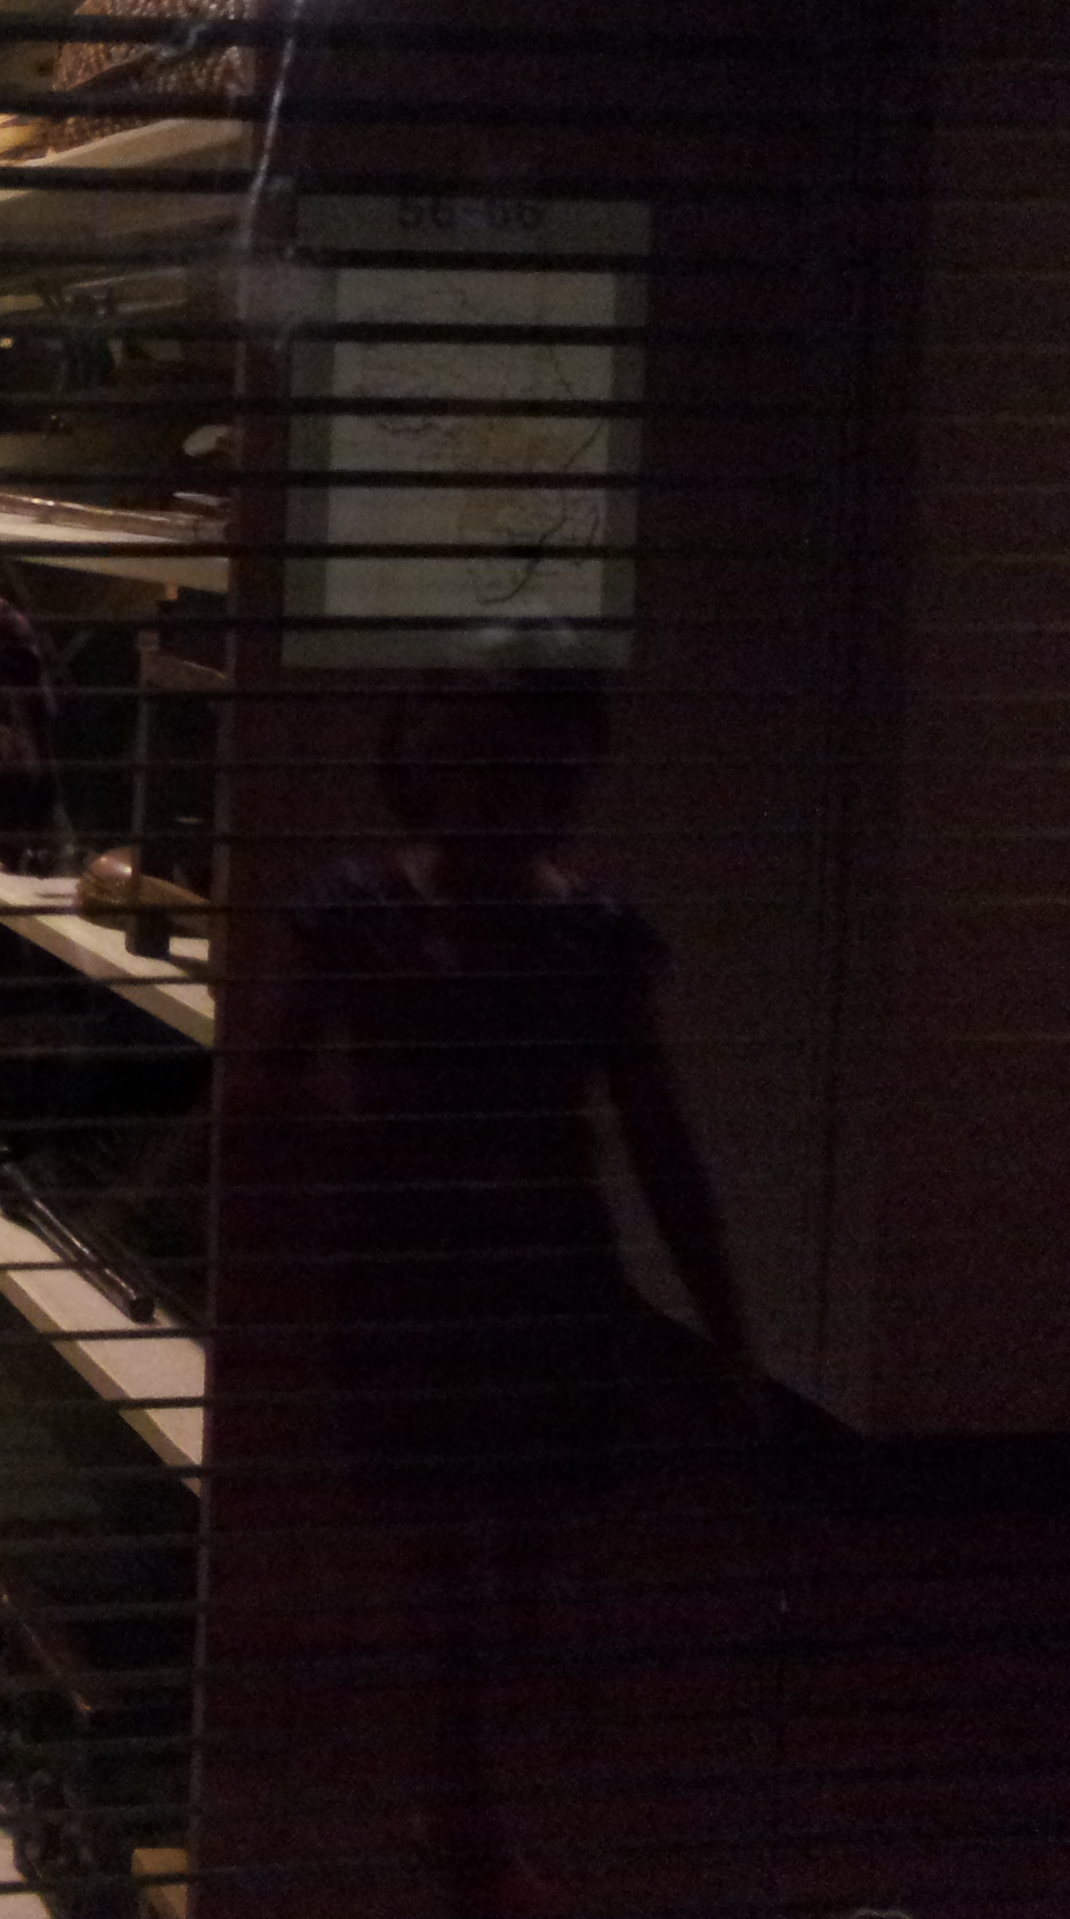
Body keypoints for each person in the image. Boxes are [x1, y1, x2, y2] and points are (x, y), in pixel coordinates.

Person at [249, 631, 755, 1916]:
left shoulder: (592, 938)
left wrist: (726, 1327)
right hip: (405, 1279)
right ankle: (468, 1826)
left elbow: (659, 1135)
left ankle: (467, 1787)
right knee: (445, 1572)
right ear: (421, 764)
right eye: (476, 760)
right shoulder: (358, 918)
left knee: (520, 1561)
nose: (502, 791)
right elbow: (266, 1093)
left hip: (543, 1282)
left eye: (532, 766)